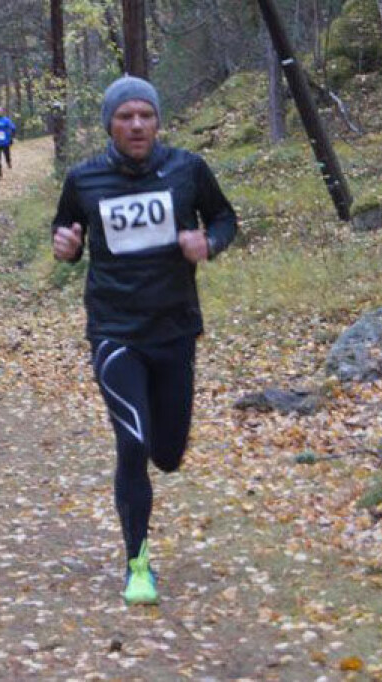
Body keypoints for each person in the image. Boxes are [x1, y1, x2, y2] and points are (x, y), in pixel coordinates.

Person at [51, 76, 238, 606]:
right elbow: (65, 231)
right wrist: (66, 246)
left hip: (174, 328)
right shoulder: (84, 179)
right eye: (125, 116)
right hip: (114, 331)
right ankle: (137, 564)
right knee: (132, 445)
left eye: (145, 115)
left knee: (169, 454)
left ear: (157, 121)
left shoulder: (188, 170)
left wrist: (210, 242)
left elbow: (225, 218)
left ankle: (160, 454)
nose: (136, 125)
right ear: (109, 124)